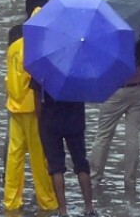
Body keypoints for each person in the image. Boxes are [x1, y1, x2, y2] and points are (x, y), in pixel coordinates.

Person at [5, 0, 58, 212]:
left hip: (14, 107)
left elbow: (9, 79)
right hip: (33, 110)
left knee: (14, 157)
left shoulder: (14, 46)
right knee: (39, 159)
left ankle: (11, 201)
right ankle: (47, 201)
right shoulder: (37, 49)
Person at [90, 42, 140, 195]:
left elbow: (100, 66)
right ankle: (130, 181)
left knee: (103, 135)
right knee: (133, 137)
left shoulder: (114, 37)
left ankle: (94, 179)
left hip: (116, 89)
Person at [35, 72, 96, 217]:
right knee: (81, 164)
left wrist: (39, 123)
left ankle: (63, 211)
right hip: (75, 121)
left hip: (51, 121)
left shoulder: (44, 65)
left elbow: (37, 99)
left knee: (56, 167)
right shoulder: (79, 68)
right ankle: (89, 208)